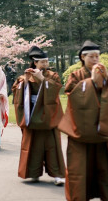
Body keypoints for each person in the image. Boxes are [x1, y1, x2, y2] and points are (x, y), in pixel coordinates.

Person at [58, 40, 108, 201]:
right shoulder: (76, 75)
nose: (95, 60)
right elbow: (71, 93)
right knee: (79, 169)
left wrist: (107, 80)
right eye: (91, 56)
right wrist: (91, 83)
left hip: (101, 130)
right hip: (80, 131)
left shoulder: (106, 74)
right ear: (83, 57)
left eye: (97, 56)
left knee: (104, 169)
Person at [12, 46, 65, 186]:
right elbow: (17, 94)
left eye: (46, 61)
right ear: (35, 62)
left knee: (52, 146)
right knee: (33, 146)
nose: (45, 64)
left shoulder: (52, 76)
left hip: (48, 116)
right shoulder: (25, 76)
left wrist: (42, 79)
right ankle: (33, 173)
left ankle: (58, 175)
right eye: (42, 62)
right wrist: (25, 81)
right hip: (32, 115)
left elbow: (56, 89)